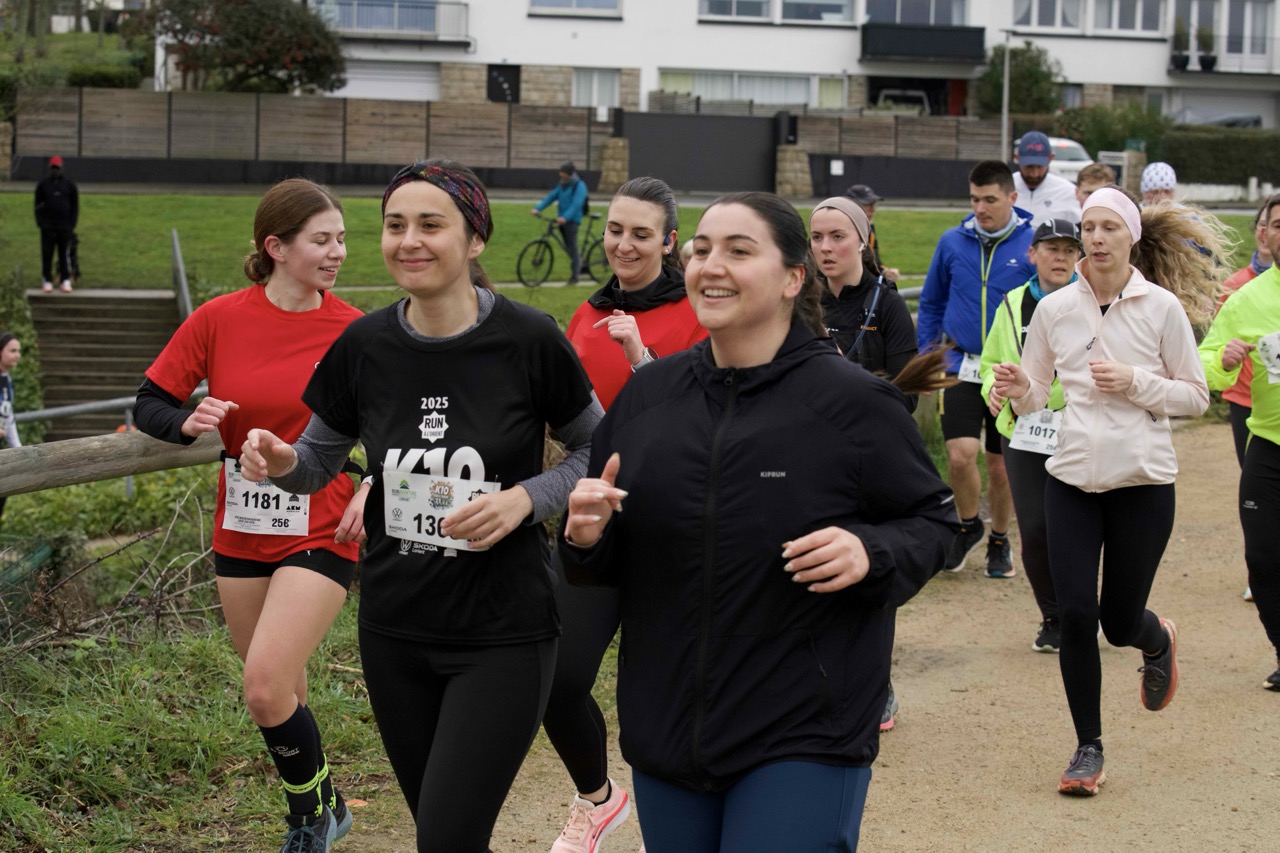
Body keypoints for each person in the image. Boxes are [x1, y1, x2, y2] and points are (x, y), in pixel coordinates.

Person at [559, 191, 956, 852]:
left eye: (739, 251)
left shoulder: (855, 404)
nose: (711, 265)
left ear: (793, 278)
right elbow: (608, 558)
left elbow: (936, 522)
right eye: (702, 250)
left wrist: (871, 550)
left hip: (804, 729)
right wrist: (585, 538)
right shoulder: (648, 399)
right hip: (668, 726)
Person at [239, 159, 603, 853]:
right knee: (444, 834)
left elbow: (598, 448)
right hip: (395, 629)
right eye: (395, 225)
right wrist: (280, 460)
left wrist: (525, 500)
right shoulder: (364, 345)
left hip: (504, 632)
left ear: (474, 238)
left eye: (431, 224)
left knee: (444, 838)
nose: (409, 240)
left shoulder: (529, 338)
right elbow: (314, 465)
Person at [134, 178, 365, 852]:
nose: (338, 252)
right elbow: (149, 402)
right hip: (241, 525)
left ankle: (308, 820)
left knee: (262, 688)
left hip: (322, 520)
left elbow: (400, 425)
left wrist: (374, 482)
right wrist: (185, 421)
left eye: (341, 239)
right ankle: (328, 801)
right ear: (276, 247)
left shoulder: (356, 331)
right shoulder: (218, 319)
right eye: (322, 240)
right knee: (284, 689)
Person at [993, 187, 1229, 796]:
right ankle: (1088, 747)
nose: (1096, 238)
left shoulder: (1161, 308)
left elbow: (1196, 397)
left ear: (1131, 237)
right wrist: (1016, 387)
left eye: (1109, 228)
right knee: (1076, 614)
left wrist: (1134, 381)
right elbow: (1035, 397)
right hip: (1071, 478)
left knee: (1118, 623)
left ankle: (1156, 638)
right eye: (1089, 227)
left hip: (1143, 484)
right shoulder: (1055, 309)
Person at [544, 176, 706, 851]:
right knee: (556, 680)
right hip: (594, 527)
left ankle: (675, 825)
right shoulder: (586, 314)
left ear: (669, 242)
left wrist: (642, 355)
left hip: (678, 525)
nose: (624, 244)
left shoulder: (698, 309)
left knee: (672, 689)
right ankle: (599, 798)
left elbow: (706, 413)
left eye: (642, 233)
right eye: (615, 230)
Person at [810, 195, 930, 734]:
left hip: (871, 458)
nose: (826, 248)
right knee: (816, 570)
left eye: (838, 236)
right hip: (811, 456)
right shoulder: (802, 299)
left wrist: (851, 381)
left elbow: (909, 392)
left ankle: (876, 684)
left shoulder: (887, 304)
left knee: (868, 571)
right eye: (817, 238)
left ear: (862, 241)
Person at [918, 160, 1035, 578]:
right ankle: (969, 525)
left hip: (1008, 371)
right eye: (974, 199)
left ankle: (1000, 539)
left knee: (1000, 465)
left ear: (1012, 198)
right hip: (960, 365)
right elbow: (931, 302)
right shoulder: (952, 241)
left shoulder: (1032, 244)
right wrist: (927, 357)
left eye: (990, 200)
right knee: (960, 455)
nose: (980, 208)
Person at [980, 219, 1081, 653]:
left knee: (1077, 528)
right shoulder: (1011, 303)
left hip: (1080, 429)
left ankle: (1083, 608)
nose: (1061, 257)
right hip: (1023, 432)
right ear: (1032, 254)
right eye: (1052, 249)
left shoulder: (1093, 302)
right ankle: (1054, 616)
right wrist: (993, 389)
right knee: (1036, 529)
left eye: (1069, 250)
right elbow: (991, 364)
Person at [1199, 190, 1280, 690]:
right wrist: (1223, 361)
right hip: (1268, 445)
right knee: (1263, 558)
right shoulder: (1247, 298)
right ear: (1266, 234)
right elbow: (1204, 362)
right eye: (1279, 224)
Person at [1219, 201, 1273, 468]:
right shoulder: (1235, 285)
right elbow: (1215, 344)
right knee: (1256, 475)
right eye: (1262, 225)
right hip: (1243, 397)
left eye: (1273, 225)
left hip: (1273, 399)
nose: (1265, 232)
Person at [533, 161, 589, 284]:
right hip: (562, 220)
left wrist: (565, 217)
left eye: (562, 173)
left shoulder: (579, 185)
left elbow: (576, 204)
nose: (560, 175)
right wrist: (538, 208)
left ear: (569, 174)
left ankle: (575, 277)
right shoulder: (562, 184)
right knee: (568, 248)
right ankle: (579, 263)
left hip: (572, 221)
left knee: (572, 249)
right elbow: (551, 196)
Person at [1012, 131, 1082, 226]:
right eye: (1029, 167)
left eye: (1040, 166)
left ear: (1050, 158)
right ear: (1017, 158)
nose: (1034, 174)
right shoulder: (1004, 189)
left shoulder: (1068, 192)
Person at [34, 155, 78, 293]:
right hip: (48, 226)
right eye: (53, 168)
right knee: (47, 253)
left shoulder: (69, 185)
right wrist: (40, 222)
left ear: (61, 168)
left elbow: (75, 206)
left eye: (57, 168)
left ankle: (65, 279)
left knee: (63, 253)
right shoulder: (43, 185)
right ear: (50, 168)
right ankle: (47, 279)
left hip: (64, 226)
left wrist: (71, 224)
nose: (55, 170)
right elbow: (37, 205)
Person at [844, 183, 900, 283]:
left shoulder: (869, 228)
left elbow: (874, 260)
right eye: (867, 205)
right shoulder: (840, 230)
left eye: (873, 205)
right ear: (852, 206)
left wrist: (885, 272)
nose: (873, 210)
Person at [0, 332, 22, 522]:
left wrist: (18, 449)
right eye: (12, 351)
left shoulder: (7, 381)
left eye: (18, 351)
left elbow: (9, 418)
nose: (17, 355)